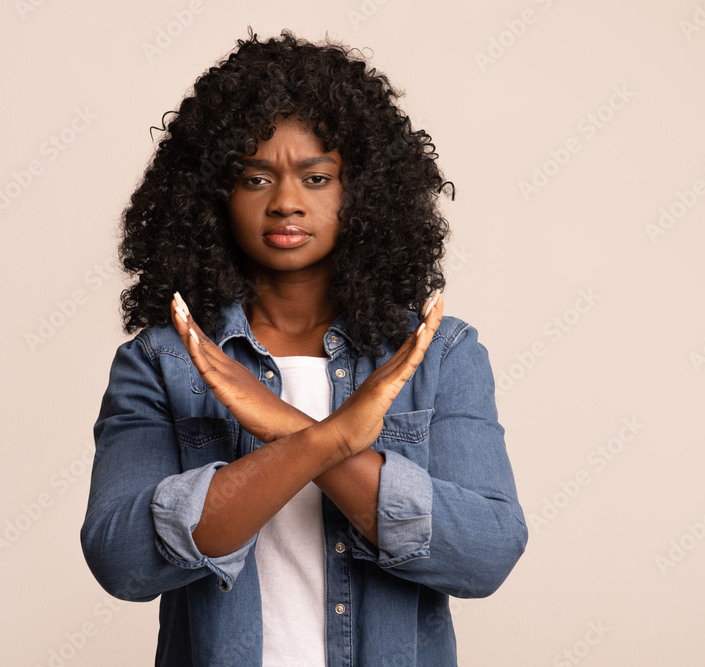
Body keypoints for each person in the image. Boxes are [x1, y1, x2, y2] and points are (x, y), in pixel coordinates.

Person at [80, 29, 527, 666]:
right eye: (255, 178)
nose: (286, 203)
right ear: (214, 194)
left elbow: (485, 555)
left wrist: (282, 425)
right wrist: (327, 439)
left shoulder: (437, 353)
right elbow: (122, 561)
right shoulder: (163, 362)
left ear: (361, 192)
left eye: (316, 178)